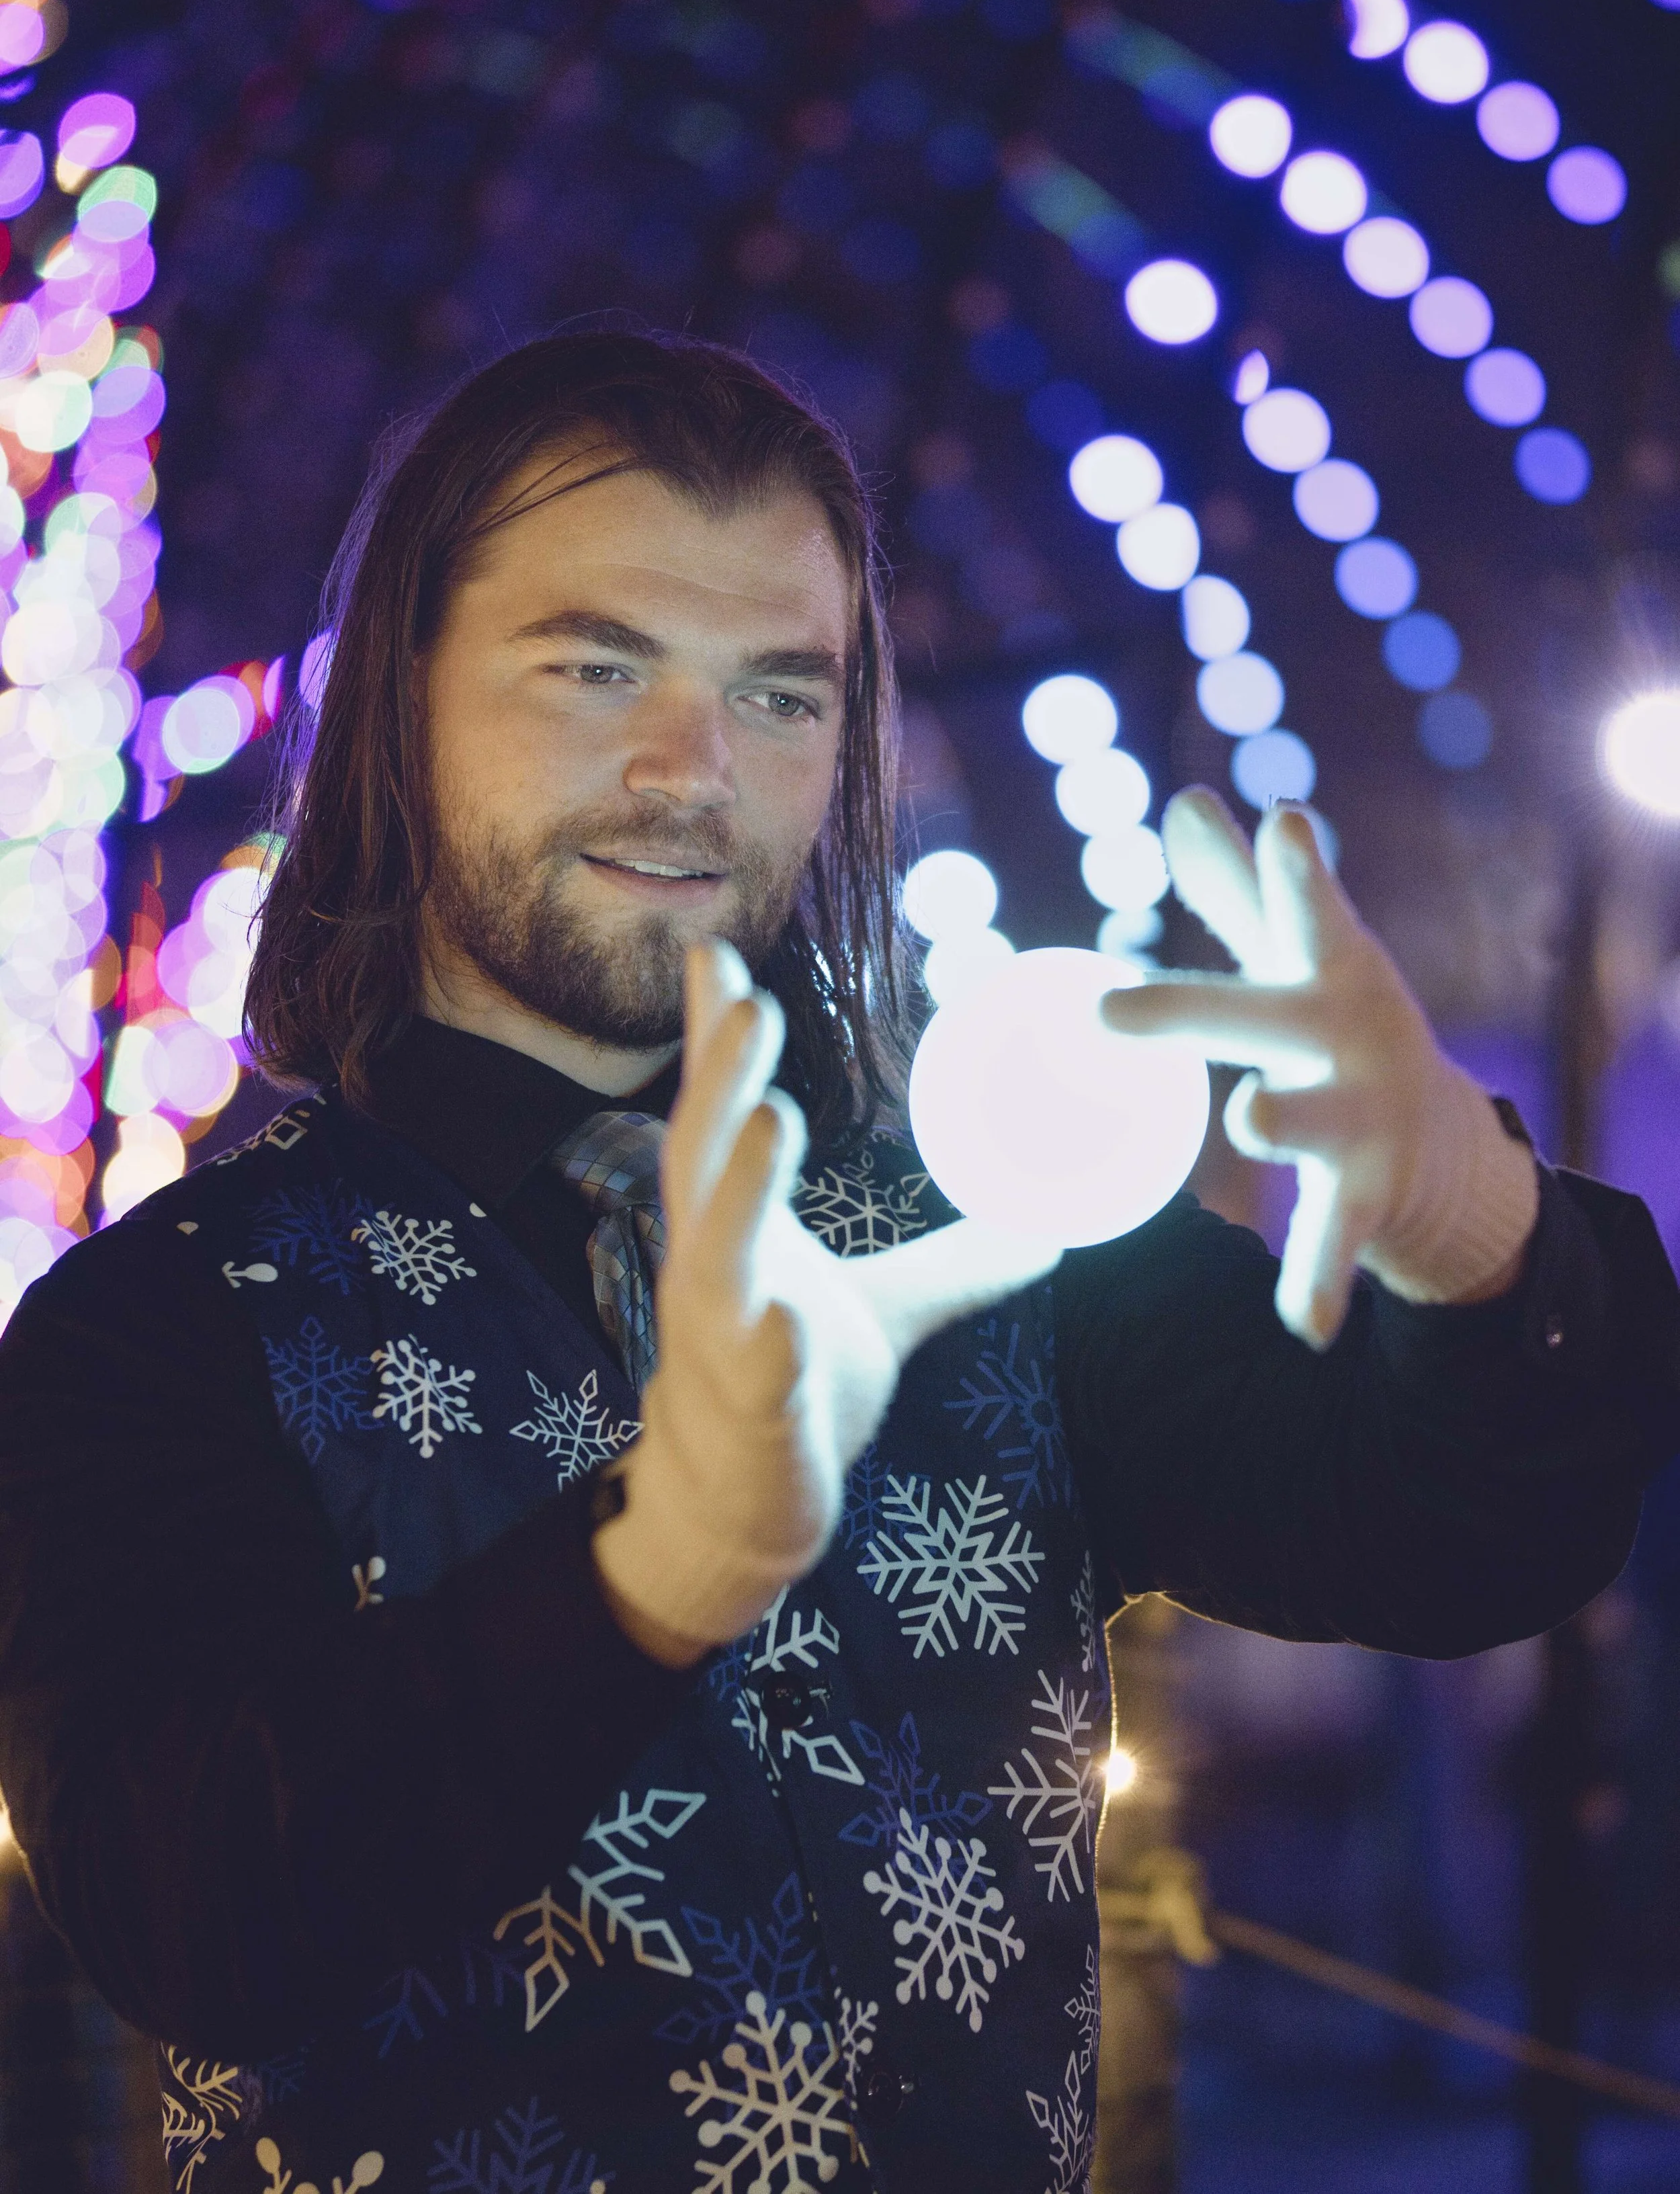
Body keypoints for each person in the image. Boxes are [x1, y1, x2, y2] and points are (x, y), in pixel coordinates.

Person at [0, 329, 1674, 2194]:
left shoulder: (1003, 1237)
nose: (688, 767)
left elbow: (1454, 1536)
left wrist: (1467, 1227)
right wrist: (651, 1575)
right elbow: (189, 1916)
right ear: (399, 697)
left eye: (781, 693)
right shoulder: (163, 1325)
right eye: (596, 665)